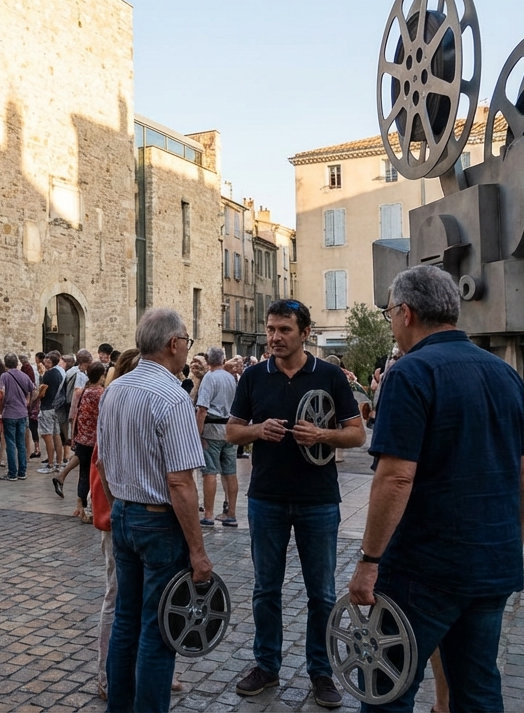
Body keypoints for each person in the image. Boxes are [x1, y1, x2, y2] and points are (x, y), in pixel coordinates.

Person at [347, 265, 524, 712]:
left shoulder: (409, 373)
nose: (392, 324)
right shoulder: (506, 375)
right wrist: (510, 544)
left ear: (406, 313)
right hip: (490, 563)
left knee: (387, 686)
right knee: (476, 688)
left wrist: (369, 561)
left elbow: (396, 476)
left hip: (423, 567)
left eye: (390, 314)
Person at [227, 299, 363, 708]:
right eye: (271, 329)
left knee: (321, 593)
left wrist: (322, 437)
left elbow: (356, 434)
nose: (274, 337)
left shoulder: (330, 375)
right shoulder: (253, 376)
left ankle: (321, 672)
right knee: (265, 590)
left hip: (318, 500)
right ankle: (266, 666)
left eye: (284, 330)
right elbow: (232, 432)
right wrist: (256, 429)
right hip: (266, 498)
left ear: (305, 333)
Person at [97, 309, 211, 712]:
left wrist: (120, 508)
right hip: (157, 519)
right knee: (158, 627)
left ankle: (120, 705)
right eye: (186, 341)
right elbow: (181, 482)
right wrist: (198, 552)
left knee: (126, 618)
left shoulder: (116, 388)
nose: (186, 348)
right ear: (173, 344)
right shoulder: (172, 396)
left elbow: (103, 462)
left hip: (125, 513)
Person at [196, 347, 239, 528]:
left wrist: (198, 434)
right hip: (229, 429)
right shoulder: (231, 378)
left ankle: (209, 514)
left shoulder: (209, 378)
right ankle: (231, 513)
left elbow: (202, 409)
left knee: (210, 472)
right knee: (230, 472)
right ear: (223, 360)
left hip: (212, 429)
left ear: (208, 361)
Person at [64, 361, 105, 521]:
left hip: (82, 438)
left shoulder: (81, 392)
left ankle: (80, 507)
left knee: (83, 474)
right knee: (95, 476)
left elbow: (74, 415)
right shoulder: (102, 393)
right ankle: (90, 509)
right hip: (96, 441)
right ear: (101, 376)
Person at [0, 353, 37, 481]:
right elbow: (33, 389)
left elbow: (2, 393)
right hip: (22, 413)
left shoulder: (4, 376)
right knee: (21, 443)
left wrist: (1, 406)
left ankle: (12, 472)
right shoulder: (24, 376)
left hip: (9, 412)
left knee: (10, 443)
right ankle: (22, 471)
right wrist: (29, 402)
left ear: (5, 364)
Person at [37, 352, 65, 473]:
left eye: (48, 361)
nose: (45, 363)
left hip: (47, 407)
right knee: (56, 435)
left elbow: (42, 391)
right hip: (55, 407)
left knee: (47, 436)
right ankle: (59, 463)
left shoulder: (48, 374)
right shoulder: (59, 373)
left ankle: (50, 464)